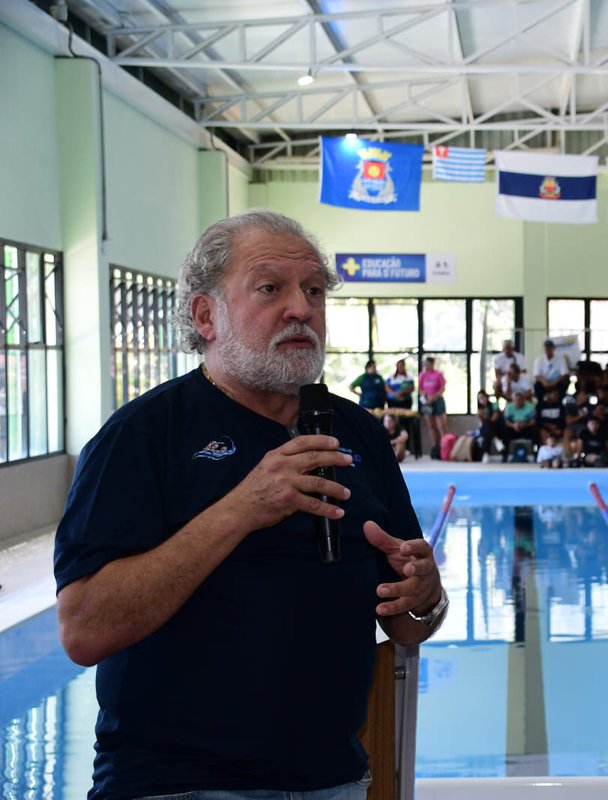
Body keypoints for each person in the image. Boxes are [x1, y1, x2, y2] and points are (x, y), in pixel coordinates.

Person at [53, 210, 446, 799]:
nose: (300, 309)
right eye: (270, 288)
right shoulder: (143, 436)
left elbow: (404, 623)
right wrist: (241, 508)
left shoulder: (358, 432)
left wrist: (427, 596)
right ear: (205, 315)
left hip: (333, 779)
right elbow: (84, 630)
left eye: (314, 290)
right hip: (180, 783)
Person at [418, 356, 448, 457]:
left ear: (432, 364)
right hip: (426, 402)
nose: (426, 366)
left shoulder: (438, 374)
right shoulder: (422, 375)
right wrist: (426, 397)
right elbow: (420, 389)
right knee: (431, 426)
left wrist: (434, 397)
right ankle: (434, 448)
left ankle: (444, 449)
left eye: (427, 364)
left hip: (437, 401)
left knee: (441, 426)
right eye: (424, 364)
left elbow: (442, 388)